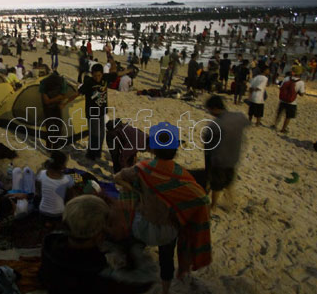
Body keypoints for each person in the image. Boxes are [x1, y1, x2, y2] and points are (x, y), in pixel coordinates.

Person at [114, 131, 211, 294]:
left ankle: (130, 276)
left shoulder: (143, 168)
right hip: (168, 231)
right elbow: (202, 199)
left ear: (153, 150)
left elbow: (118, 177)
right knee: (166, 259)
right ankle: (165, 291)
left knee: (131, 242)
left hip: (143, 227)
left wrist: (136, 191)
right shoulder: (181, 175)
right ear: (175, 151)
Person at [39, 195, 156, 294]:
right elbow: (147, 277)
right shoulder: (101, 276)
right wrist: (126, 238)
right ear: (100, 236)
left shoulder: (50, 244)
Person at [203, 95, 249, 210]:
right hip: (234, 157)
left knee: (216, 185)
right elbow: (246, 123)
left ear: (214, 108)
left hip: (220, 159)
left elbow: (208, 148)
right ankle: (231, 202)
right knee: (228, 181)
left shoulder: (215, 125)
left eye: (209, 109)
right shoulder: (238, 117)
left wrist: (208, 166)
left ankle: (213, 205)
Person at [77, 63, 131, 160]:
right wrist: (65, 101)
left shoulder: (105, 78)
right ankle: (91, 154)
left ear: (102, 74)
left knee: (101, 134)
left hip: (102, 111)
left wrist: (127, 71)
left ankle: (97, 153)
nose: (97, 78)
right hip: (92, 113)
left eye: (99, 75)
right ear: (92, 74)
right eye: (95, 75)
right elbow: (78, 92)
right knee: (94, 134)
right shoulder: (89, 82)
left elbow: (117, 74)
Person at [37, 151, 74, 227]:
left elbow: (39, 191)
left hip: (42, 211)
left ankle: (47, 223)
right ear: (62, 165)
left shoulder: (41, 174)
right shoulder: (67, 179)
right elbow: (70, 198)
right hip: (58, 214)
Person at [274, 66, 306, 133]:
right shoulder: (301, 82)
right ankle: (283, 129)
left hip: (283, 99)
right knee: (288, 116)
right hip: (292, 102)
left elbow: (281, 87)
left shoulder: (287, 78)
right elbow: (302, 94)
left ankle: (275, 125)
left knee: (279, 113)